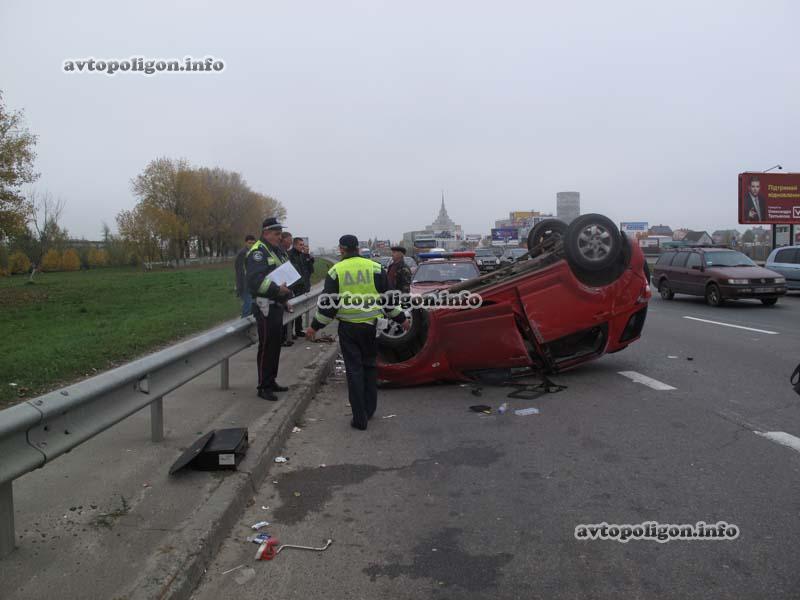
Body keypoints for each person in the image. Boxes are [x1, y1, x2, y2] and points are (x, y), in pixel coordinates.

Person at [306, 235, 409, 430]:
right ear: (359, 249)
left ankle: (359, 417)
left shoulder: (336, 271)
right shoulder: (376, 268)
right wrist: (403, 320)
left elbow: (328, 308)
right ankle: (369, 410)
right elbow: (389, 302)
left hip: (348, 328)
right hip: (370, 327)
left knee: (354, 370)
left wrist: (314, 327)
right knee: (370, 367)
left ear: (341, 250)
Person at [246, 217, 293, 401]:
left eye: (280, 234)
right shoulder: (258, 252)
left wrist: (284, 298)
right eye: (276, 234)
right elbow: (256, 282)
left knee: (275, 346)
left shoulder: (275, 250)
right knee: (266, 346)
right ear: (266, 233)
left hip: (276, 304)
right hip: (264, 306)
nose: (279, 237)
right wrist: (277, 290)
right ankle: (263, 386)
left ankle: (271, 380)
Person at [287, 237, 315, 338]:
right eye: (300, 245)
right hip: (295, 287)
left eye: (303, 245)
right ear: (294, 245)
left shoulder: (303, 255)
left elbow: (311, 270)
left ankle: (298, 330)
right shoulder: (290, 255)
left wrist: (308, 257)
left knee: (300, 309)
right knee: (292, 310)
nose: (302, 247)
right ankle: (289, 333)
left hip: (304, 286)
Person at [279, 232, 295, 347]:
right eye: (289, 239)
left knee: (287, 313)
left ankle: (285, 336)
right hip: (281, 289)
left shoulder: (284, 253)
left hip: (287, 287)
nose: (291, 242)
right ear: (283, 239)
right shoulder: (279, 252)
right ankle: (282, 337)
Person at [235, 234, 256, 318]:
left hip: (251, 284)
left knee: (251, 307)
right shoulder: (243, 253)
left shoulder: (253, 252)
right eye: (249, 243)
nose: (251, 245)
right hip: (244, 285)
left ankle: (249, 328)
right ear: (245, 243)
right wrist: (240, 285)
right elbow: (240, 271)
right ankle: (243, 328)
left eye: (253, 243)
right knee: (248, 306)